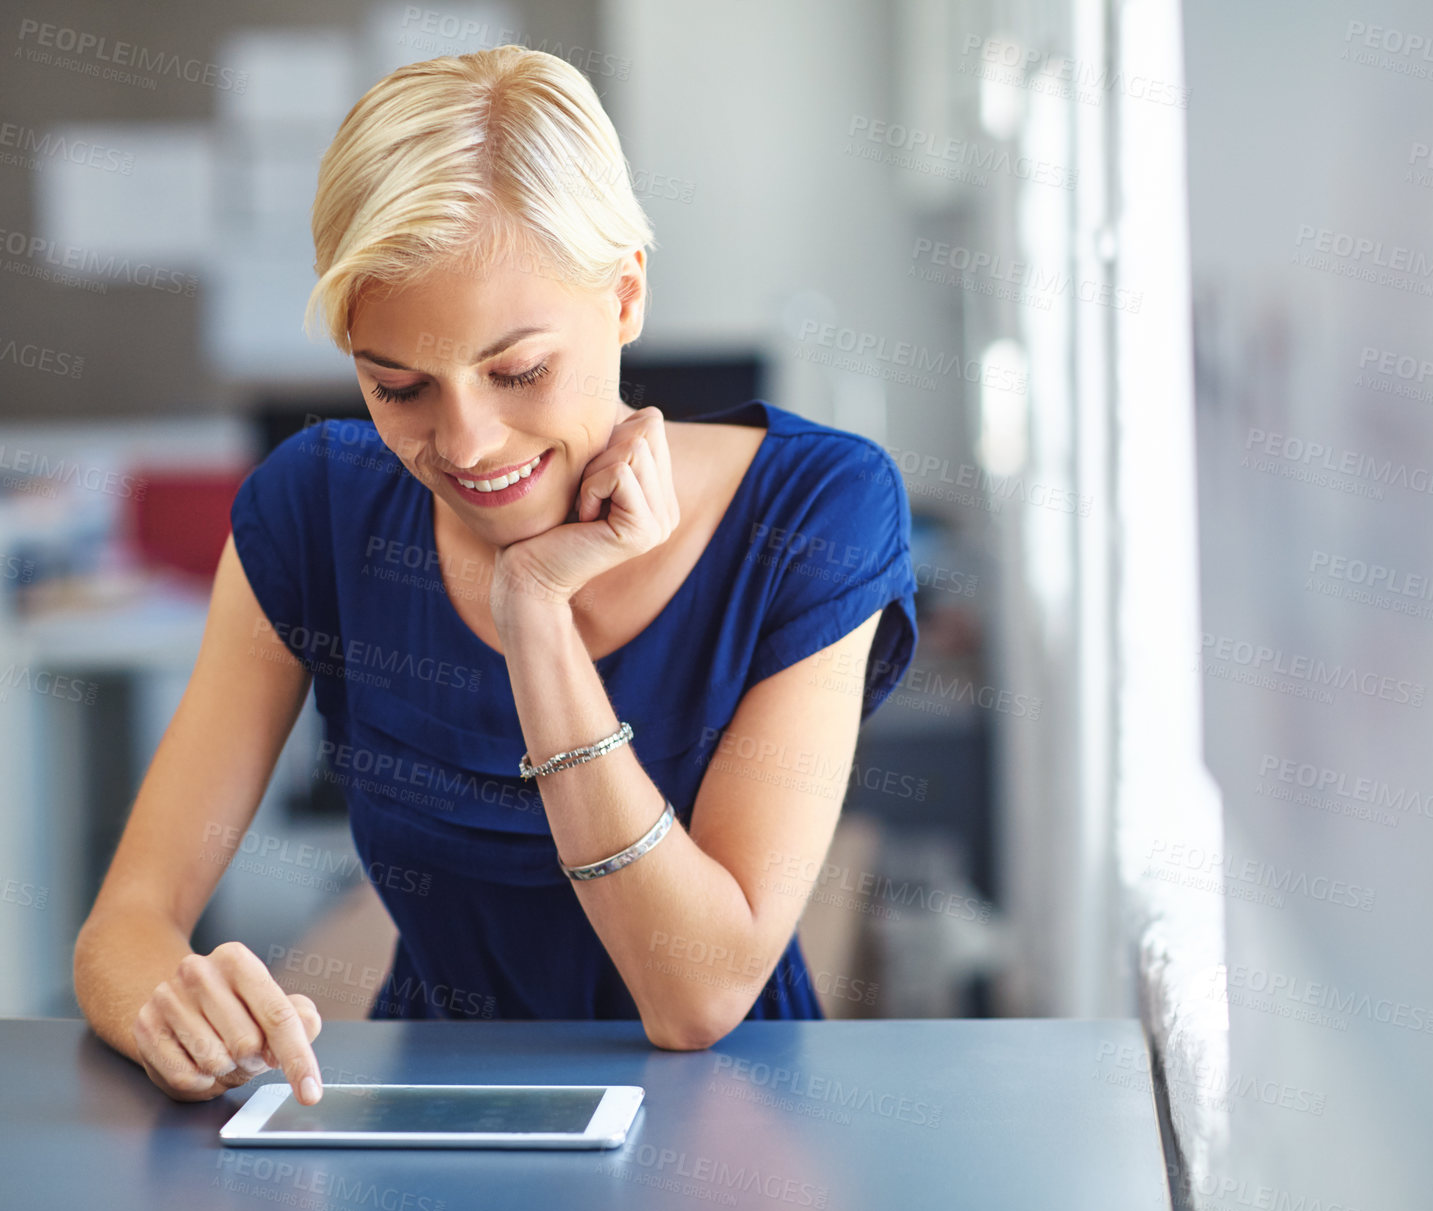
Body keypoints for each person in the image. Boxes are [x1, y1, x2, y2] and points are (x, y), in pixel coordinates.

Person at [73, 45, 918, 1106]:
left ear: (624, 296)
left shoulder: (815, 512)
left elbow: (696, 999)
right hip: (432, 1132)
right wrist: (172, 1006)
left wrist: (537, 616)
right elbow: (125, 926)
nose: (466, 443)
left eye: (518, 371)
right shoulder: (316, 509)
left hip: (733, 1148)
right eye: (398, 387)